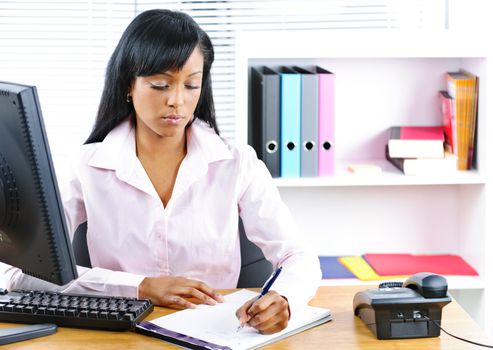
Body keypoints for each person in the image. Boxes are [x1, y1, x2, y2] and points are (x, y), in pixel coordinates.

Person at [4, 9, 321, 334]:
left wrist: (285, 298)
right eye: (160, 85)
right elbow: (15, 271)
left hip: (218, 333)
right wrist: (139, 286)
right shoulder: (87, 166)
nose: (177, 101)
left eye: (191, 85)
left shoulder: (237, 162)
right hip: (120, 334)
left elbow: (298, 255)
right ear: (128, 84)